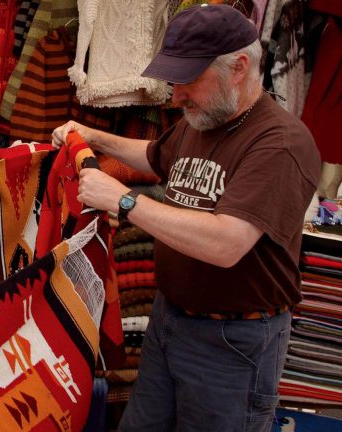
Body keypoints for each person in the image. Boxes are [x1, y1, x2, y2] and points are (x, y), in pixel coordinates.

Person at [52, 5, 320, 431]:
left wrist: (123, 201)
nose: (175, 95)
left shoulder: (279, 144)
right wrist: (96, 137)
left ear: (240, 68)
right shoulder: (204, 117)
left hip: (232, 345)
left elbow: (227, 243)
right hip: (171, 321)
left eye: (188, 79)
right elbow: (157, 155)